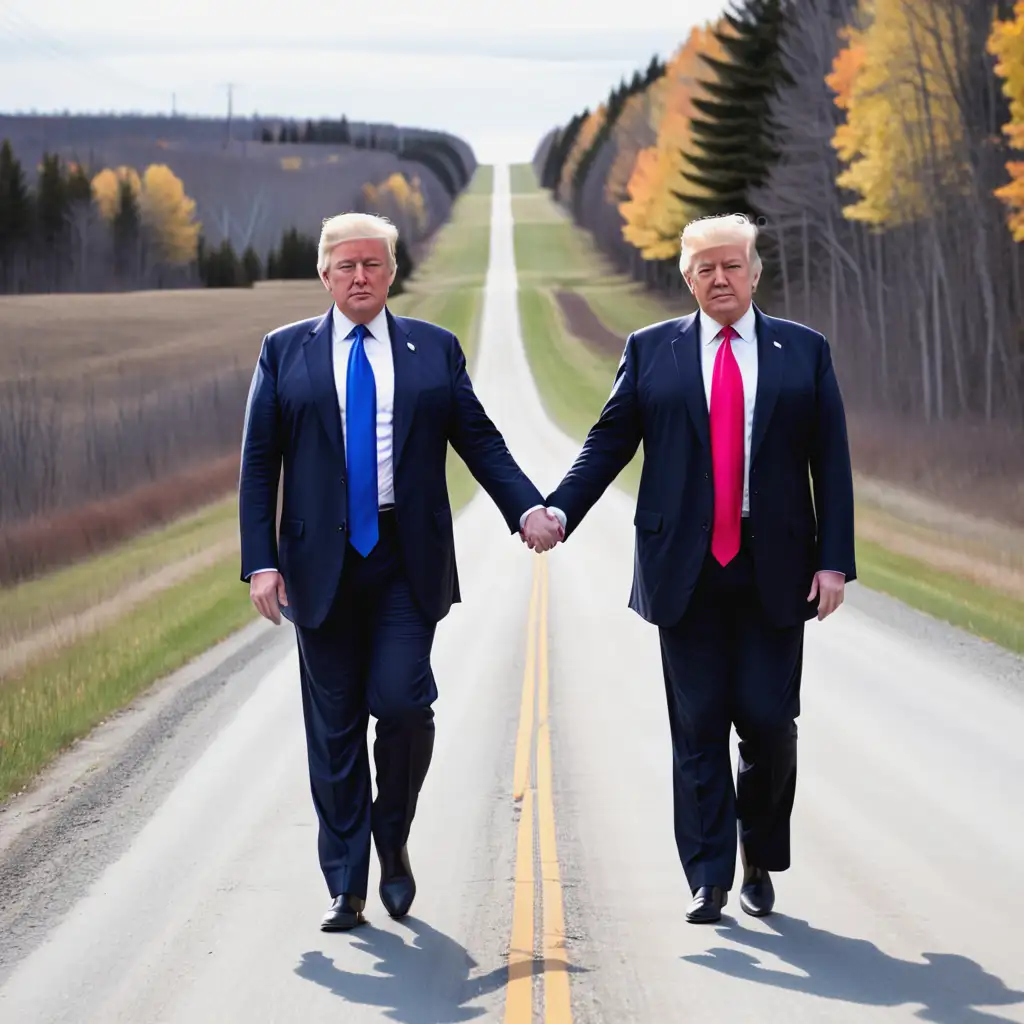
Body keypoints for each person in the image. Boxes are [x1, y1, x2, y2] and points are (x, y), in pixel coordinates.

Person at [238, 212, 562, 931]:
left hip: (402, 561)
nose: (361, 277)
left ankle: (393, 832)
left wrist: (527, 511)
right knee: (335, 729)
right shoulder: (284, 352)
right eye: (347, 266)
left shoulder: (431, 351)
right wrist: (259, 561)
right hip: (317, 564)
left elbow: (479, 440)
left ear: (392, 273)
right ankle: (347, 884)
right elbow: (260, 463)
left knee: (406, 703)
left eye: (374, 265)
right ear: (324, 274)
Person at [539, 213, 855, 923]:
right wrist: (560, 511)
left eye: (731, 265)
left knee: (770, 723)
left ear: (754, 273)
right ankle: (708, 876)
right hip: (685, 566)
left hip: (774, 564)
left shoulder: (803, 352)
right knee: (700, 723)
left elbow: (829, 463)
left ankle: (758, 851)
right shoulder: (652, 351)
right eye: (704, 267)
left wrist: (834, 562)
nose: (719, 277)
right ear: (686, 278)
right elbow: (608, 442)